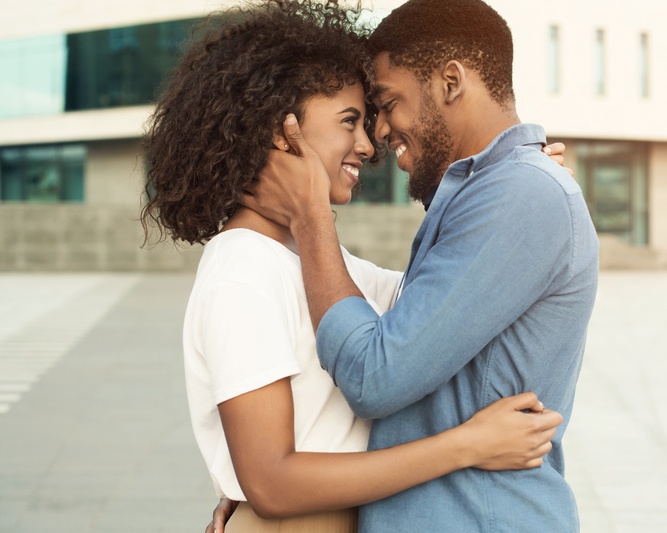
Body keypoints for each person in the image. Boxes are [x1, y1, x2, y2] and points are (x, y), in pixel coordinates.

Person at [141, 2, 570, 532]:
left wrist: (516, 187)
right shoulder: (242, 269)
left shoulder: (317, 261)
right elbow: (272, 483)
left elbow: (429, 303)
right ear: (283, 132)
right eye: (351, 121)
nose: (369, 146)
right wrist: (465, 446)